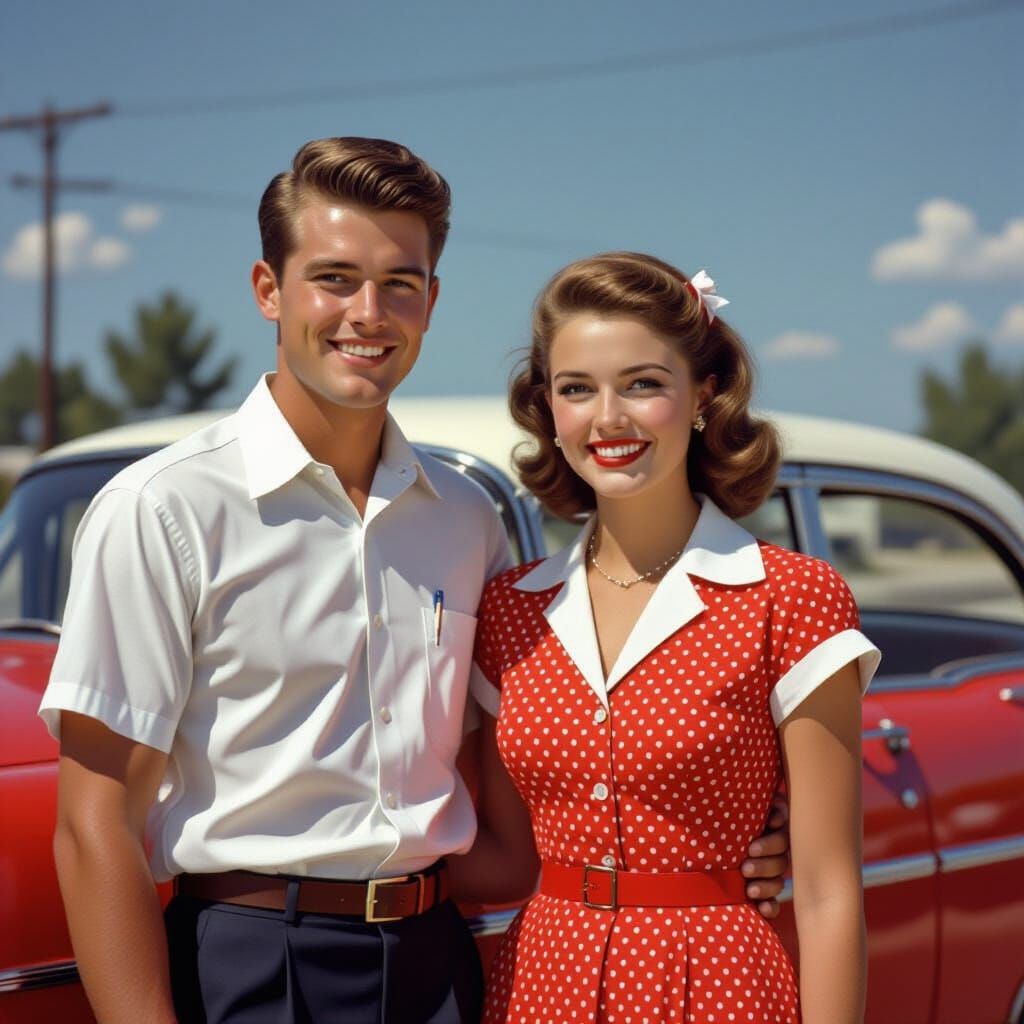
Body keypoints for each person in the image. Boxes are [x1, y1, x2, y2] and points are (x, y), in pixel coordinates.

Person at [39, 140, 792, 1024]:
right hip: (251, 963)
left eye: (400, 281)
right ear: (267, 291)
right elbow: (94, 827)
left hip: (439, 963)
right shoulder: (162, 508)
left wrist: (729, 843)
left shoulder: (468, 518)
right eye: (334, 278)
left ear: (431, 301)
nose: (369, 312)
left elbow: (540, 766)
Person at [467, 253, 881, 1024]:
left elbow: (827, 887)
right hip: (538, 985)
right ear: (548, 410)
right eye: (577, 389)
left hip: (716, 983)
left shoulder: (791, 598)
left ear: (703, 396)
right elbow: (500, 852)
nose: (608, 418)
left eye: (644, 383)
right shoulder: (508, 611)